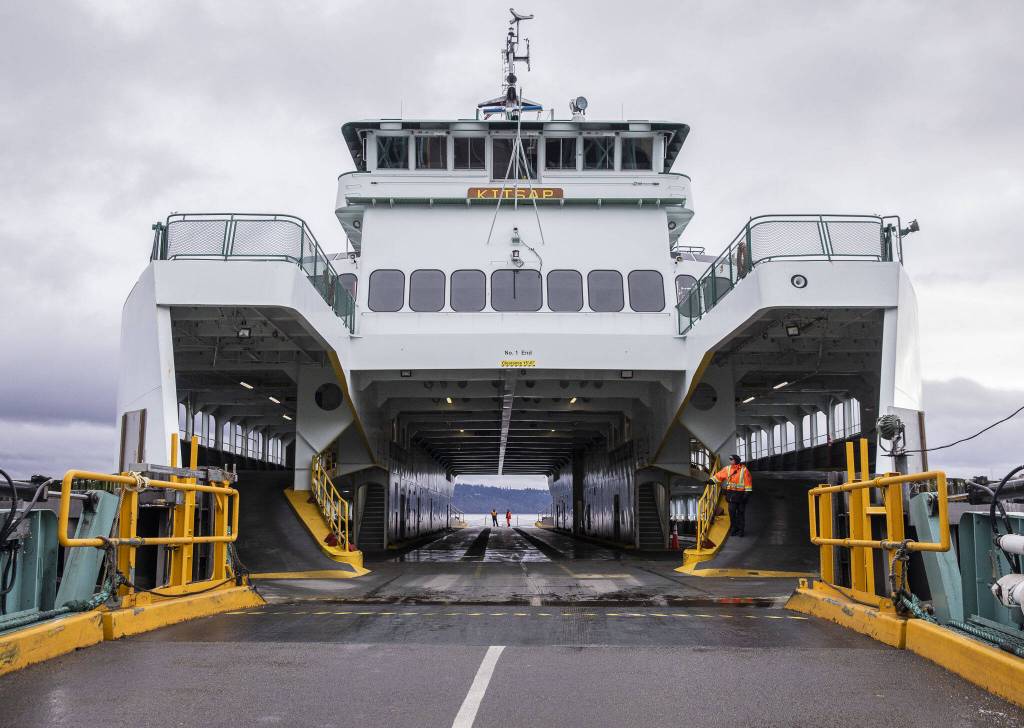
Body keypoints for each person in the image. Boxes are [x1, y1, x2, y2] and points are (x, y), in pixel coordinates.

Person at [713, 454, 753, 537]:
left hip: (741, 496)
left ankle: (741, 530)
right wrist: (711, 480)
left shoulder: (744, 470)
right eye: (730, 459)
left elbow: (748, 484)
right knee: (732, 513)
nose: (730, 461)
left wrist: (747, 494)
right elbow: (719, 475)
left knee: (741, 513)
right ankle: (734, 529)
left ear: (736, 460)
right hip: (731, 496)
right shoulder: (728, 469)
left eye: (732, 459)